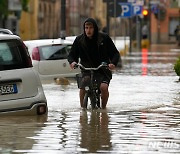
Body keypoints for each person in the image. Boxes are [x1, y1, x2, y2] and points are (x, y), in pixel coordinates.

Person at [68, 18, 120, 109]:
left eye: (91, 28)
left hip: (103, 70)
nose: (88, 30)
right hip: (86, 70)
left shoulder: (104, 38)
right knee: (83, 86)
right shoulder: (79, 40)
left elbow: (115, 53)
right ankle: (82, 109)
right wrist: (72, 62)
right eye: (86, 28)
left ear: (95, 28)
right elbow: (71, 55)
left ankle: (103, 109)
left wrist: (113, 63)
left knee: (103, 87)